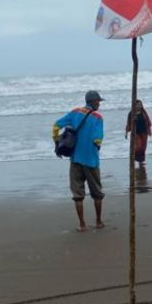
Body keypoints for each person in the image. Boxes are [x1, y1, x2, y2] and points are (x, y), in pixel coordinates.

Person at [52, 90, 105, 231]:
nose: (99, 103)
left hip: (75, 160)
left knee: (78, 195)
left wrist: (56, 141)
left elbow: (56, 125)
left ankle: (82, 224)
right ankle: (98, 221)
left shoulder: (75, 112)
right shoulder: (98, 118)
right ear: (93, 101)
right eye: (98, 101)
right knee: (97, 193)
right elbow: (98, 139)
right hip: (91, 161)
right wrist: (96, 146)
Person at [125, 99, 152, 173]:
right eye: (138, 105)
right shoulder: (131, 113)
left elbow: (148, 122)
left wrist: (149, 131)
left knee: (143, 147)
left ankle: (141, 162)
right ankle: (136, 159)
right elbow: (128, 123)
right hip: (136, 133)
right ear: (135, 105)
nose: (139, 106)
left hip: (144, 132)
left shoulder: (143, 112)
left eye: (140, 105)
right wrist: (126, 132)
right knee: (138, 147)